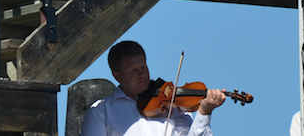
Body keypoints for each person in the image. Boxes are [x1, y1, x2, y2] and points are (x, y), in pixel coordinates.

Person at [81, 41, 226, 136]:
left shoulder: (172, 105)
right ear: (117, 76)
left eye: (143, 67)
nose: (142, 74)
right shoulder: (102, 111)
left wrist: (204, 112)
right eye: (133, 70)